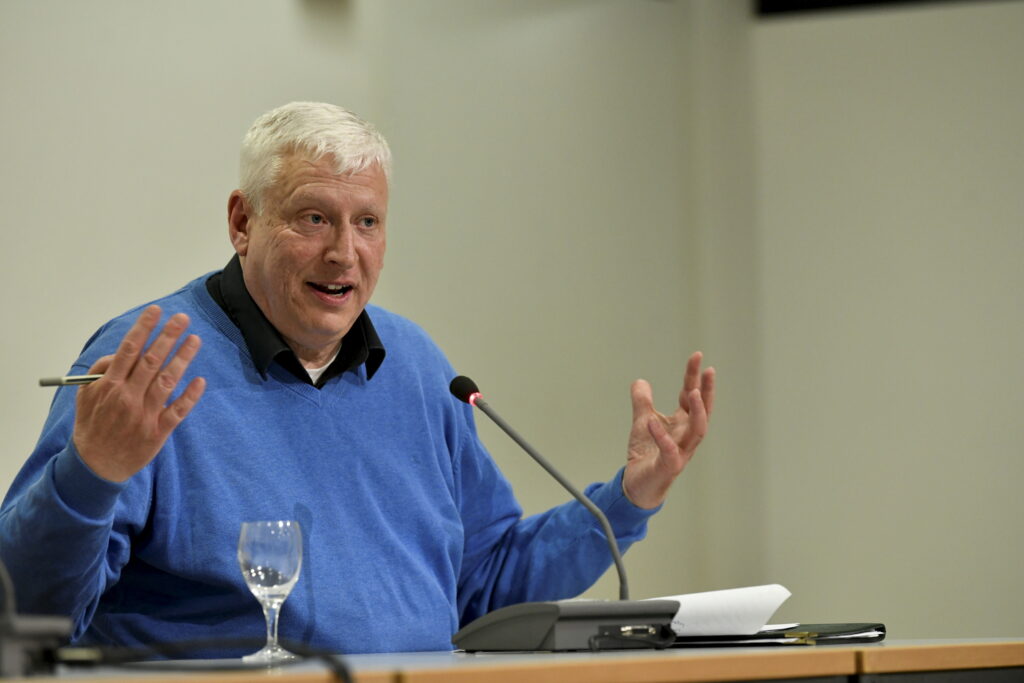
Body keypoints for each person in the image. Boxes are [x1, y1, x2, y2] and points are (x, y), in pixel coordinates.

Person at [0, 102, 714, 656]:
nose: (345, 253)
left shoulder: (418, 367)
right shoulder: (149, 356)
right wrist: (89, 474)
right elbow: (27, 616)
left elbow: (488, 585)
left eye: (367, 222)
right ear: (242, 221)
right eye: (314, 218)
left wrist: (626, 499)